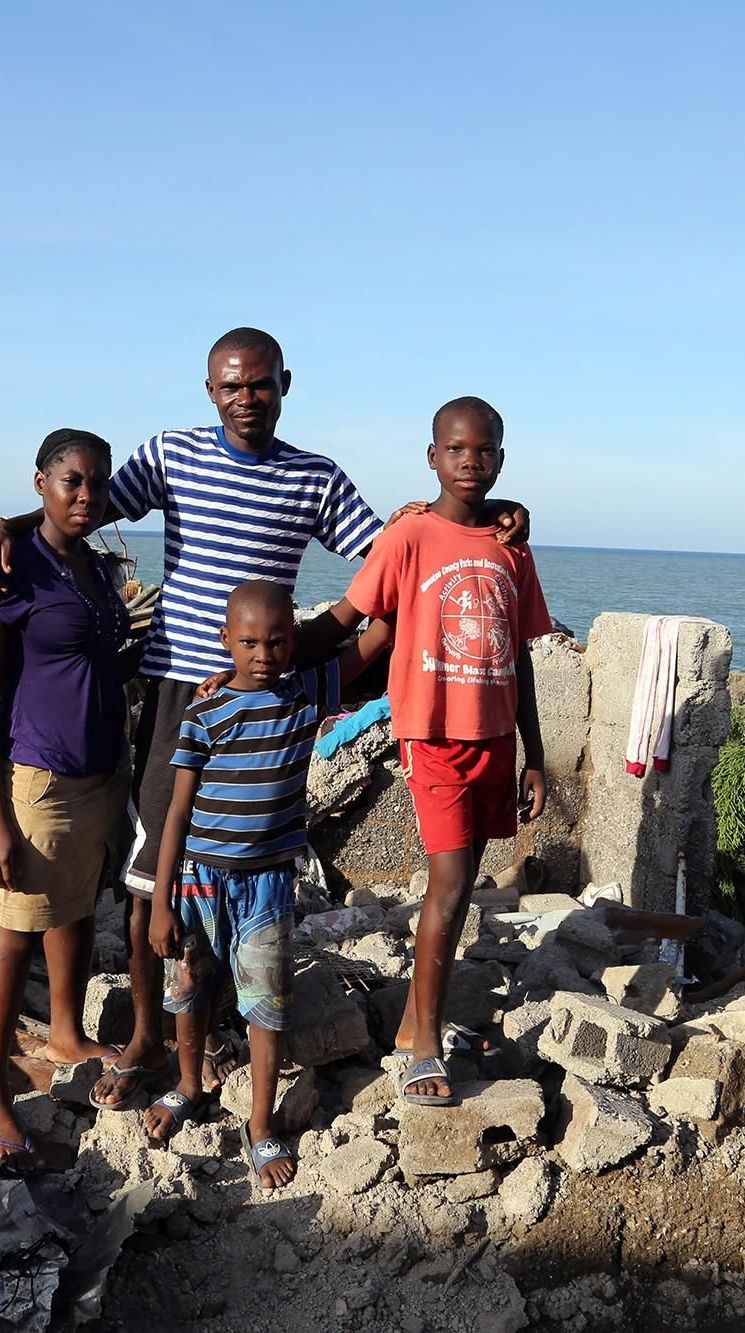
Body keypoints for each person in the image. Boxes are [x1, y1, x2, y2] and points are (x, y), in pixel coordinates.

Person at [0, 328, 529, 1106]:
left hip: (269, 694)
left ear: (284, 384)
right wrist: (4, 527)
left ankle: (229, 1019)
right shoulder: (173, 454)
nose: (245, 399)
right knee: (150, 876)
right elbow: (77, 507)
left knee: (254, 858)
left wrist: (495, 510)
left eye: (259, 385)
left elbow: (397, 553)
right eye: (230, 386)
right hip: (178, 692)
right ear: (209, 391)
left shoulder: (314, 478)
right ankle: (148, 1041)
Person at [295, 396, 550, 1107]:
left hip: (496, 736)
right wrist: (279, 663)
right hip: (433, 735)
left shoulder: (512, 544)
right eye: (458, 449)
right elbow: (349, 621)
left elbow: (521, 655)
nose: (473, 462)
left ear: (501, 458)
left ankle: (413, 1023)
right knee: (446, 880)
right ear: (433, 455)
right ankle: (426, 1048)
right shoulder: (407, 537)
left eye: (487, 450)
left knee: (465, 880)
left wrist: (536, 753)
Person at [139, 579, 389, 1188]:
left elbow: (373, 641)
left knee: (267, 1005)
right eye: (248, 641)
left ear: (293, 642)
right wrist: (159, 904)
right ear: (225, 640)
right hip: (198, 883)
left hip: (268, 887)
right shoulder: (205, 714)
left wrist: (405, 551)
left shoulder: (306, 697)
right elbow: (176, 814)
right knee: (191, 989)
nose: (263, 653)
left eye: (278, 641)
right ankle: (188, 1084)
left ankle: (260, 1126)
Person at [0, 428, 134, 1169]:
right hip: (38, 779)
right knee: (14, 931)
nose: (86, 495)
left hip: (99, 774)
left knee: (77, 906)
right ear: (40, 483)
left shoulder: (96, 568)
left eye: (97, 482)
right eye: (70, 481)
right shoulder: (7, 571)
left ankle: (65, 1030)